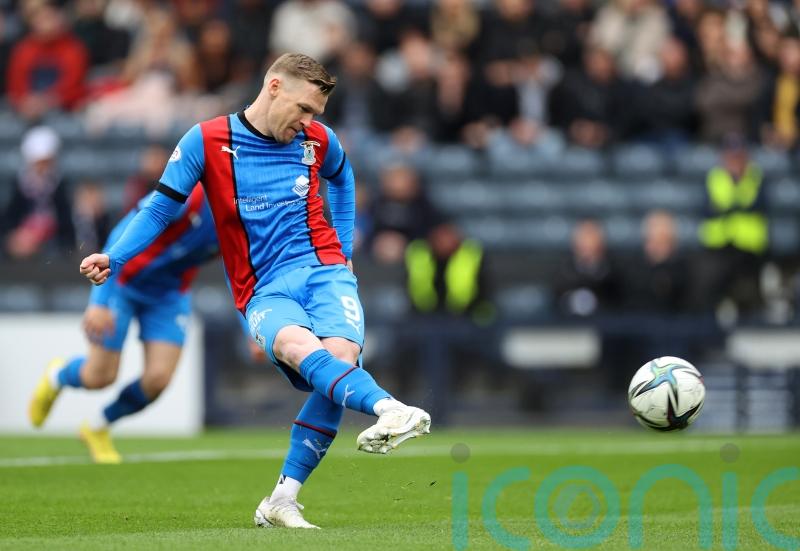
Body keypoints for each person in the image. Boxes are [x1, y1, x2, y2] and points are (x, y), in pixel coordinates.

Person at [78, 53, 431, 529]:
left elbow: (343, 180)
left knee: (339, 363)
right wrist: (114, 256)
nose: (309, 122)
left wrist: (344, 251)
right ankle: (390, 408)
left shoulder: (318, 140)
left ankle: (284, 499)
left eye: (317, 114)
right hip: (261, 286)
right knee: (301, 350)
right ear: (274, 87)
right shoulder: (207, 140)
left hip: (324, 269)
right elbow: (160, 211)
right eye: (304, 109)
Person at [29, 186, 219, 463]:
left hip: (169, 295)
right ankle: (57, 376)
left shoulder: (242, 215)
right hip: (123, 284)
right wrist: (99, 301)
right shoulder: (192, 195)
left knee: (157, 380)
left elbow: (237, 271)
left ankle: (96, 427)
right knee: (100, 376)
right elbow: (121, 232)